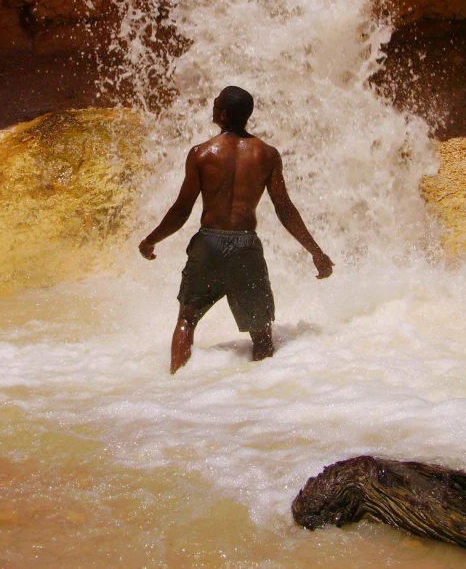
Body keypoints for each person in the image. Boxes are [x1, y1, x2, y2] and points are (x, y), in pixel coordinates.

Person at [139, 86, 334, 374]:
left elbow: (182, 210)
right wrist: (315, 252)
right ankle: (259, 397)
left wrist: (150, 240)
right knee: (261, 332)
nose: (212, 106)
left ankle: (174, 387)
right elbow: (285, 209)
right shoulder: (267, 154)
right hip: (246, 247)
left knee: (186, 321)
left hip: (208, 244)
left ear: (223, 114)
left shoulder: (201, 154)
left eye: (215, 103)